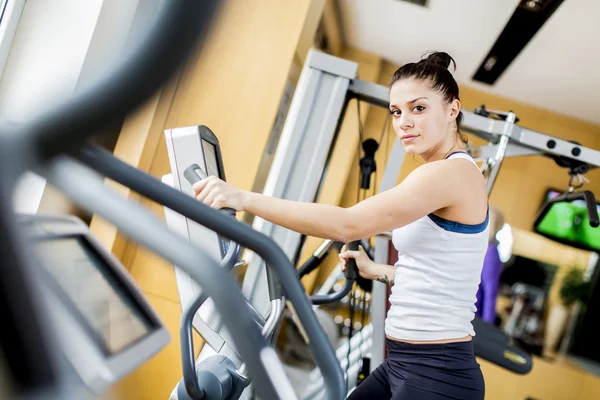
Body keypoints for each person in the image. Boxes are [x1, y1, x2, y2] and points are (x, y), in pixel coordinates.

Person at [193, 51, 489, 399]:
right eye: (396, 111)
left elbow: (349, 224)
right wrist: (377, 269)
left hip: (437, 375)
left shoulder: (452, 173)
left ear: (452, 110)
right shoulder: (439, 173)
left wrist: (243, 199)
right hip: (403, 363)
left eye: (418, 108)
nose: (404, 121)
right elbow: (440, 276)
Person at [475, 206, 505, 324]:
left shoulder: (491, 252)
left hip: (473, 317)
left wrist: (486, 328)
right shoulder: (480, 246)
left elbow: (490, 293)